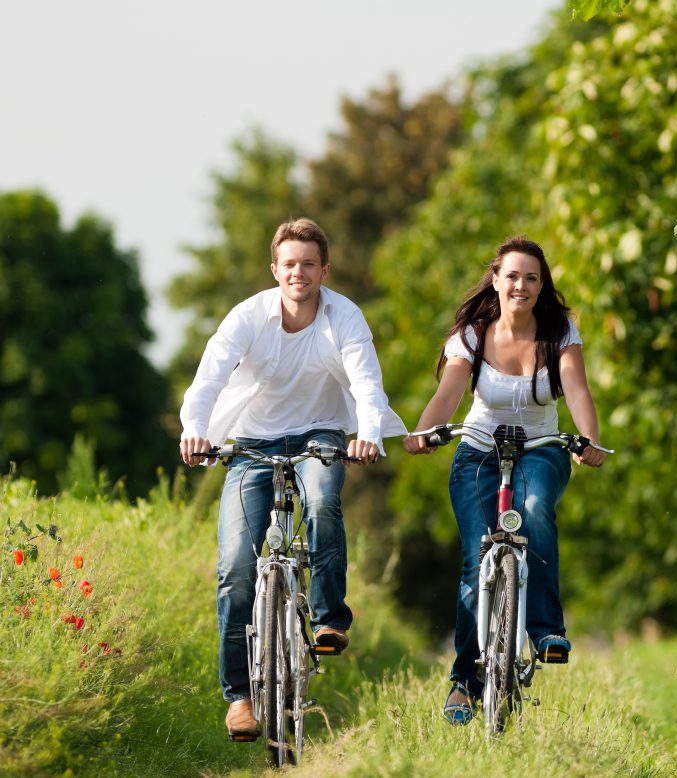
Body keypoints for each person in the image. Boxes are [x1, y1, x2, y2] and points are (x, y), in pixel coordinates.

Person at [179, 218, 406, 740]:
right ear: (274, 270)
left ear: (324, 269)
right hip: (251, 442)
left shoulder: (343, 316)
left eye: (309, 264)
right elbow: (208, 377)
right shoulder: (248, 317)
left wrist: (368, 434)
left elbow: (366, 382)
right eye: (289, 264)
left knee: (324, 498)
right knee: (236, 566)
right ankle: (238, 698)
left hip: (320, 435)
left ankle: (329, 620)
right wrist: (194, 431)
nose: (298, 273)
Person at [403, 236, 607, 725]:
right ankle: (463, 683)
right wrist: (424, 432)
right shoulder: (473, 334)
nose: (521, 285)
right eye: (512, 276)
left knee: (534, 512)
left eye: (531, 277)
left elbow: (576, 390)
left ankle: (543, 631)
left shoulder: (560, 331)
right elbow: (449, 392)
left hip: (540, 451)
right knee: (478, 559)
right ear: (495, 280)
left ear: (542, 285)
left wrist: (589, 440)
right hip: (477, 452)